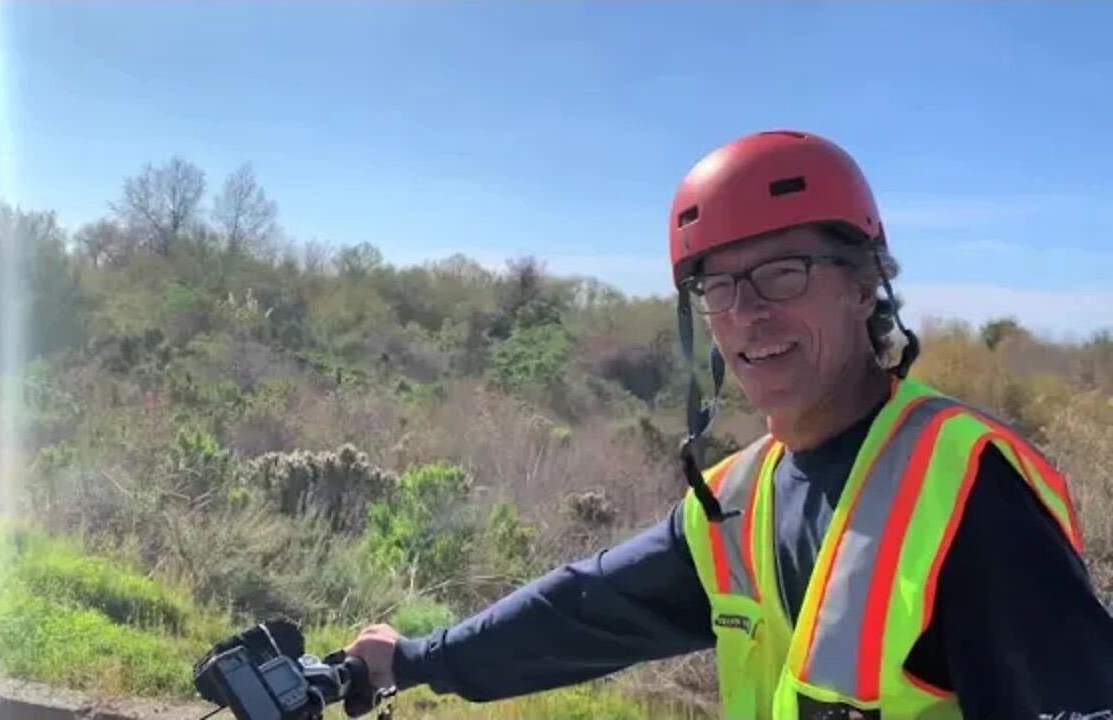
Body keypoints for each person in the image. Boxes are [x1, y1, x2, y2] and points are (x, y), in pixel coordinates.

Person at [344, 130, 1113, 719]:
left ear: (863, 286)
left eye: (783, 272)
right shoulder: (737, 499)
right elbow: (583, 610)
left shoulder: (968, 488)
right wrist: (411, 660)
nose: (748, 312)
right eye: (717, 285)